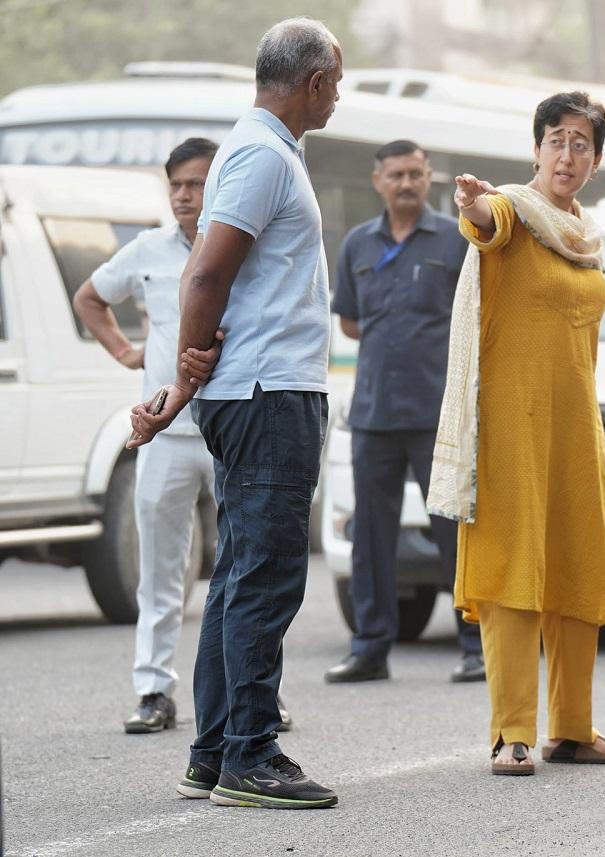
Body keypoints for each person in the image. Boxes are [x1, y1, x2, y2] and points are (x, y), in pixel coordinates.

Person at [127, 17, 343, 809]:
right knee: (264, 576)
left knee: (237, 576)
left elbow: (217, 276)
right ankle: (251, 754)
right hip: (265, 394)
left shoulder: (264, 151)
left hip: (260, 390)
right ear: (314, 82)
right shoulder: (258, 154)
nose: (340, 94)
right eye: (337, 81)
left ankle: (215, 751)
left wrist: (188, 382)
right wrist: (185, 375)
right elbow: (206, 274)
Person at [427, 91, 605, 776]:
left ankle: (572, 728)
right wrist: (472, 203)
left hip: (576, 429)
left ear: (597, 159)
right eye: (556, 139)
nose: (567, 154)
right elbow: (489, 219)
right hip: (511, 428)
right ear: (536, 149)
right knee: (512, 568)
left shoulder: (583, 235)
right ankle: (512, 731)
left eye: (581, 143)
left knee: (580, 564)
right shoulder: (519, 211)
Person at [73, 139, 224, 734]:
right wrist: (125, 351)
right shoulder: (147, 251)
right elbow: (90, 298)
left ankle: (257, 693)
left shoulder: (237, 247)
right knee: (160, 570)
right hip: (163, 434)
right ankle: (153, 690)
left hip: (226, 428)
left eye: (197, 183)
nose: (186, 195)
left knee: (244, 573)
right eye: (177, 185)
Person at [324, 140, 482, 685]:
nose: (406, 183)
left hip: (438, 413)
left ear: (429, 176)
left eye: (415, 173)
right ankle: (369, 648)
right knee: (370, 536)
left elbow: (477, 313)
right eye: (396, 175)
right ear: (378, 182)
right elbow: (347, 320)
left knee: (453, 532)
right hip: (372, 413)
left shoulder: (453, 239)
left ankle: (475, 644)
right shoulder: (357, 244)